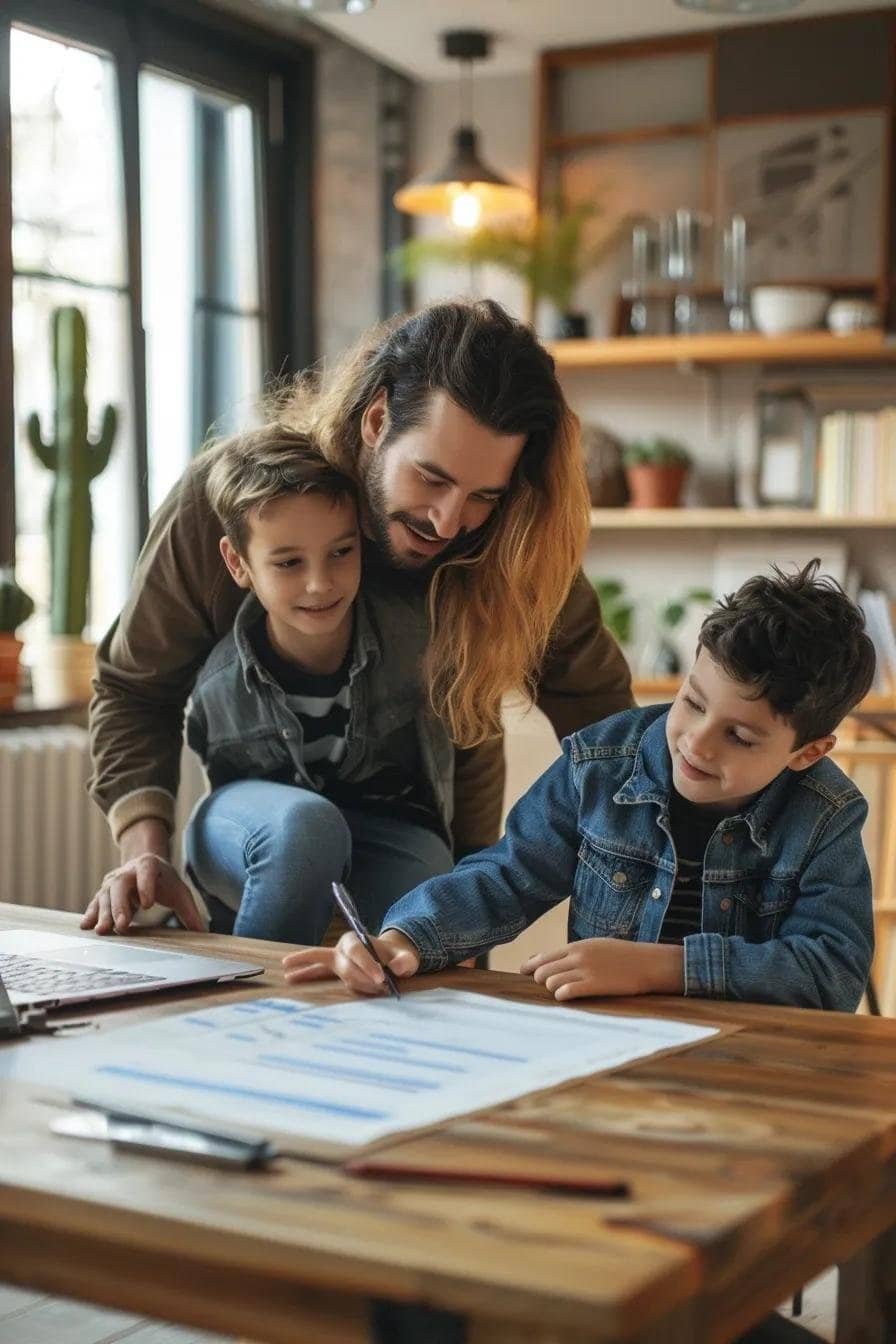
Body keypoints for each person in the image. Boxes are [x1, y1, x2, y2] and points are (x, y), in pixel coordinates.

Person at [83, 299, 633, 936]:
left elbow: (608, 729)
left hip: (424, 844)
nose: (448, 523)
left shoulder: (511, 546)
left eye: (484, 494)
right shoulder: (235, 505)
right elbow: (134, 688)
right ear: (376, 420)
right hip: (265, 831)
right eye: (430, 477)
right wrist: (143, 852)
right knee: (302, 838)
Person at [288, 562, 877, 1012]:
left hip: (748, 1063)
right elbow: (508, 875)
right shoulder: (599, 763)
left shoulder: (826, 816)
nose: (697, 743)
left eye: (740, 738)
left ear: (808, 752)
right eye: (692, 703)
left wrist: (661, 968)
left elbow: (832, 971)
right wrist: (408, 937)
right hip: (602, 1044)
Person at [179, 426, 456, 944]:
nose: (319, 584)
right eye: (288, 563)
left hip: (383, 827)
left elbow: (470, 747)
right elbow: (230, 804)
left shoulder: (416, 643)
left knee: (434, 876)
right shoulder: (220, 684)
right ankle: (259, 1002)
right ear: (238, 563)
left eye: (340, 552)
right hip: (262, 830)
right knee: (308, 827)